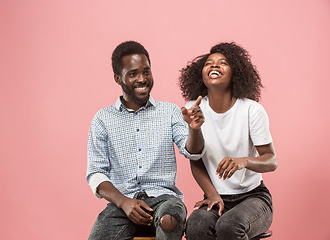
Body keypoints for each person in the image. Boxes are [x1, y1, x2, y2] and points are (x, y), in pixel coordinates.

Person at [86, 40, 205, 240]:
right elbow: (96, 173)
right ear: (118, 78)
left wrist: (194, 129)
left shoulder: (170, 112)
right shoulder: (102, 119)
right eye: (133, 74)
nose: (142, 79)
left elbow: (192, 151)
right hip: (122, 203)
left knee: (171, 218)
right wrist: (124, 202)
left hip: (164, 199)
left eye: (146, 71)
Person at [179, 42, 277, 240]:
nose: (214, 66)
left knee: (229, 226)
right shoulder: (192, 109)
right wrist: (194, 128)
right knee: (195, 227)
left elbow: (271, 160)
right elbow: (195, 159)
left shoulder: (251, 110)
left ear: (236, 74)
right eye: (209, 63)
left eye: (222, 63)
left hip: (253, 197)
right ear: (201, 74)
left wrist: (244, 161)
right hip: (215, 196)